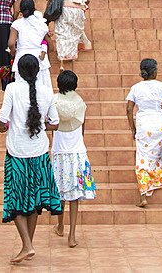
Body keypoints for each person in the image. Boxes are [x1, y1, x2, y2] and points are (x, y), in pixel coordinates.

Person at [0, 54, 62, 264]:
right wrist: (40, 126)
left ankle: (28, 245)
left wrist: (1, 126)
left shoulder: (12, 89)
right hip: (40, 152)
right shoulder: (46, 91)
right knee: (34, 202)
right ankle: (27, 244)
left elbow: (1, 120)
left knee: (15, 198)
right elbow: (55, 123)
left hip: (17, 152)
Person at [51, 70, 96, 248]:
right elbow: (82, 129)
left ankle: (60, 226)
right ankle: (72, 235)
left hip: (60, 153)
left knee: (60, 192)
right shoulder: (81, 104)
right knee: (75, 196)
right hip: (77, 152)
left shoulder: (53, 102)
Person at [125, 58, 162, 208]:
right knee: (157, 154)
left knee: (143, 157)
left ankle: (143, 195)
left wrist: (133, 129)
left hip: (144, 125)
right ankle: (161, 179)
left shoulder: (135, 88)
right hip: (160, 125)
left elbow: (129, 109)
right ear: (154, 72)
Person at [52, 0, 91, 68]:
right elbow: (88, 0)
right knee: (74, 33)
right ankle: (72, 55)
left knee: (62, 33)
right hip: (77, 11)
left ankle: (62, 59)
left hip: (63, 11)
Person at [9, 0, 51, 91]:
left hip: (22, 57)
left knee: (22, 90)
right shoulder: (42, 24)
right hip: (39, 59)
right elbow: (50, 46)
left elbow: (11, 43)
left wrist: (13, 52)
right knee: (42, 89)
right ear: (34, 9)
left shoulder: (17, 24)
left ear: (21, 10)